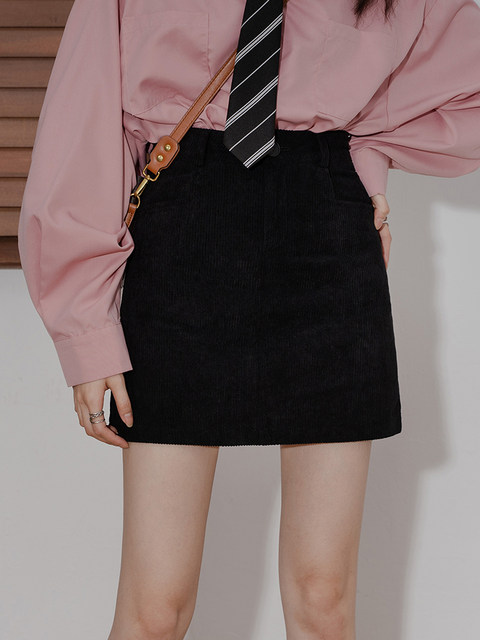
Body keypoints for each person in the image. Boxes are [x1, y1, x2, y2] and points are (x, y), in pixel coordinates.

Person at [17, 0, 480, 638]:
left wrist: (367, 157)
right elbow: (84, 121)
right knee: (155, 608)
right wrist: (84, 329)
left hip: (326, 236)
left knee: (324, 596)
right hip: (182, 239)